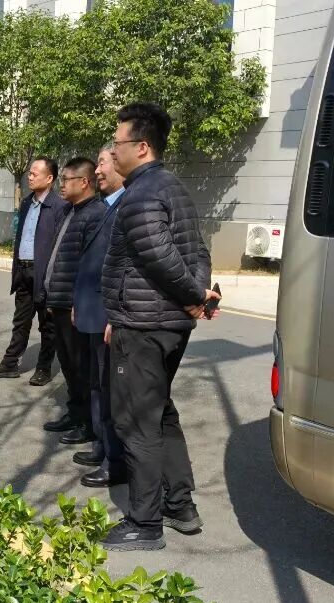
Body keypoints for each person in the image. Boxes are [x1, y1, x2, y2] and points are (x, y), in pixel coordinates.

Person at [98, 103, 221, 552]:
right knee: (160, 413)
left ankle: (144, 521)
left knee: (136, 422)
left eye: (118, 143)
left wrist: (193, 295)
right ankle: (179, 505)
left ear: (142, 147)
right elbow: (198, 251)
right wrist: (197, 294)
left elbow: (158, 254)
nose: (113, 151)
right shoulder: (172, 186)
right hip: (166, 325)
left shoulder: (141, 194)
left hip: (144, 326)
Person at [0, 158, 68, 386]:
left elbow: (60, 246)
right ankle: (10, 363)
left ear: (49, 178)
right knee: (20, 320)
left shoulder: (59, 206)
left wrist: (53, 278)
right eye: (29, 173)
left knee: (47, 325)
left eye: (34, 173)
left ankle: (43, 368)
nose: (29, 176)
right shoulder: (26, 203)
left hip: (44, 274)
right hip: (23, 270)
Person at [72, 146, 127, 488]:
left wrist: (115, 315)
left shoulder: (127, 206)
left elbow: (122, 268)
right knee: (97, 383)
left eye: (103, 162)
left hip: (109, 315)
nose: (98, 170)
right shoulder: (107, 207)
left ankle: (115, 460)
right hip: (93, 310)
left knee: (110, 389)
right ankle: (101, 445)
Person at [40, 157, 105, 445]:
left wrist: (79, 302)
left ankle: (89, 423)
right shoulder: (68, 211)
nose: (62, 185)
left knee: (82, 367)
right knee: (67, 364)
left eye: (66, 180)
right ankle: (75, 412)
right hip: (59, 301)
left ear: (84, 182)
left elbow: (89, 265)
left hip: (75, 305)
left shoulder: (96, 214)